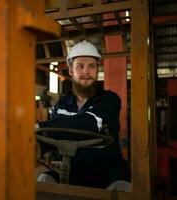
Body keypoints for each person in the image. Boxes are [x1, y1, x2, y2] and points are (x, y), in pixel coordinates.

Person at [36, 40, 130, 190]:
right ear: (71, 70)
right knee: (43, 180)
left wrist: (39, 126)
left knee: (123, 187)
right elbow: (51, 138)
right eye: (80, 66)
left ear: (97, 69)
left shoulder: (109, 100)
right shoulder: (61, 105)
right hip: (72, 170)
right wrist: (33, 141)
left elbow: (89, 122)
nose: (86, 71)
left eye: (91, 66)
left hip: (107, 171)